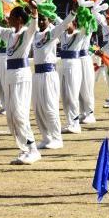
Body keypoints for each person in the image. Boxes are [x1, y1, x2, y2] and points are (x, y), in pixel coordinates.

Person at [0, 5, 41, 164]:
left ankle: (33, 149)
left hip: (22, 75)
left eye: (11, 15)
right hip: (10, 76)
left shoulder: (26, 33)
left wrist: (34, 12)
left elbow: (34, 24)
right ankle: (25, 149)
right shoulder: (9, 34)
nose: (8, 18)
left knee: (20, 114)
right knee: (11, 116)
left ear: (19, 19)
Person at [32, 10, 77, 149]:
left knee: (50, 107)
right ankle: (46, 138)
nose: (40, 22)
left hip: (49, 74)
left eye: (43, 19)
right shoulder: (34, 34)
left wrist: (73, 12)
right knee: (38, 109)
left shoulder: (51, 34)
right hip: (37, 74)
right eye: (39, 19)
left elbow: (64, 25)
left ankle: (57, 138)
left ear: (49, 21)